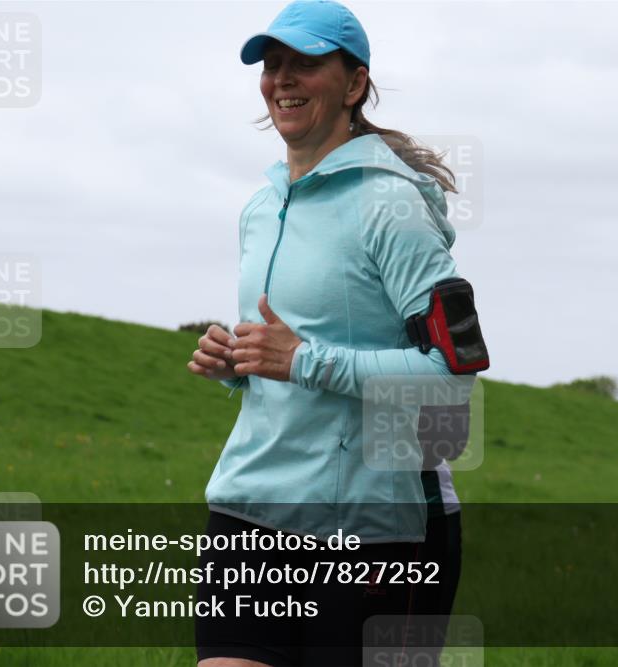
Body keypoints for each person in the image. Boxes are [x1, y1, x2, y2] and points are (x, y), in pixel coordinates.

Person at [186, 1, 482, 664]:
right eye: (272, 64)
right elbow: (292, 343)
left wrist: (305, 361)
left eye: (305, 64)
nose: (282, 79)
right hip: (252, 508)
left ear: (353, 84)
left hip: (378, 525)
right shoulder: (262, 208)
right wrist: (241, 360)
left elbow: (454, 377)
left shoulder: (394, 204)